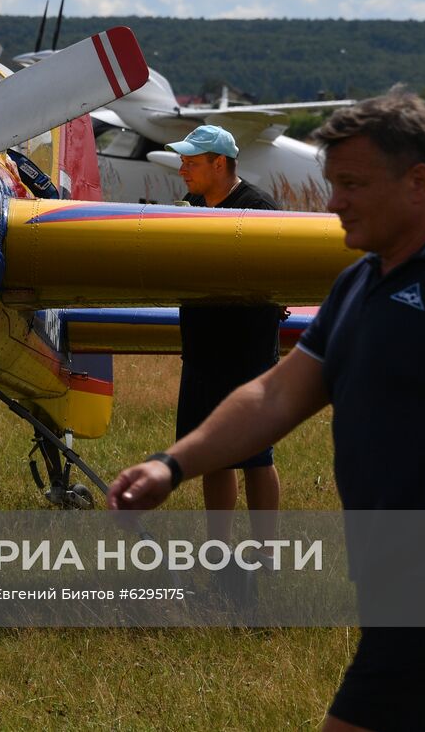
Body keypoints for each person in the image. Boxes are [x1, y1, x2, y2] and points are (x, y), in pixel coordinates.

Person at [110, 92, 425, 730]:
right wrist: (171, 465)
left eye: (352, 184)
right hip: (389, 571)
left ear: (417, 183)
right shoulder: (361, 283)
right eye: (332, 183)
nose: (333, 202)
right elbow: (275, 394)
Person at [166, 124, 281, 551]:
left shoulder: (260, 209)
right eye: (182, 161)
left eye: (191, 163)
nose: (183, 169)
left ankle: (266, 552)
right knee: (212, 456)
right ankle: (220, 548)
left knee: (256, 456)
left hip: (246, 356)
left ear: (220, 164)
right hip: (201, 350)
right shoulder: (191, 204)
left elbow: (275, 280)